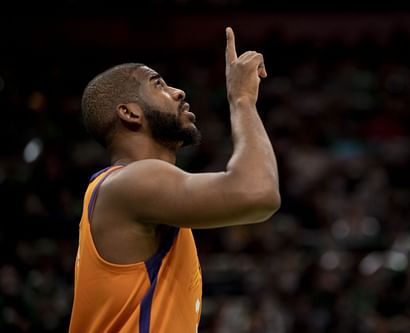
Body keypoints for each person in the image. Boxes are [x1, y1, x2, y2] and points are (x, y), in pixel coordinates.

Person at [68, 27, 280, 333]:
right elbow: (258, 192)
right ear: (129, 113)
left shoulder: (131, 190)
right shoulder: (132, 181)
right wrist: (242, 100)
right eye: (159, 86)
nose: (178, 92)